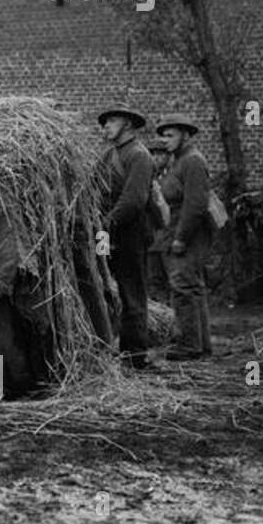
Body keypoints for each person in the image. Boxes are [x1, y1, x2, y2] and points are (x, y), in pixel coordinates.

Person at [96, 103, 154, 369]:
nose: (105, 126)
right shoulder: (108, 155)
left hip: (130, 233)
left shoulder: (139, 155)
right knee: (104, 288)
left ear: (128, 124)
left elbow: (134, 199)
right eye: (104, 122)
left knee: (132, 293)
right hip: (106, 233)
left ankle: (135, 355)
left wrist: (107, 222)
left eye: (112, 121)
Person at [154, 114, 213, 360]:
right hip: (177, 230)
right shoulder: (179, 161)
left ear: (186, 135)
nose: (165, 140)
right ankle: (200, 345)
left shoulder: (192, 161)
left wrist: (181, 237)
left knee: (183, 287)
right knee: (192, 287)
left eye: (171, 135)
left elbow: (196, 204)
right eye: (163, 135)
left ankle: (189, 345)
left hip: (187, 233)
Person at [146, 142, 172, 302]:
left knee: (172, 278)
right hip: (152, 237)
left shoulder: (173, 178)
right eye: (153, 154)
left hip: (169, 236)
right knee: (154, 279)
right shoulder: (150, 177)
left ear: (168, 157)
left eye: (160, 154)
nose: (156, 158)